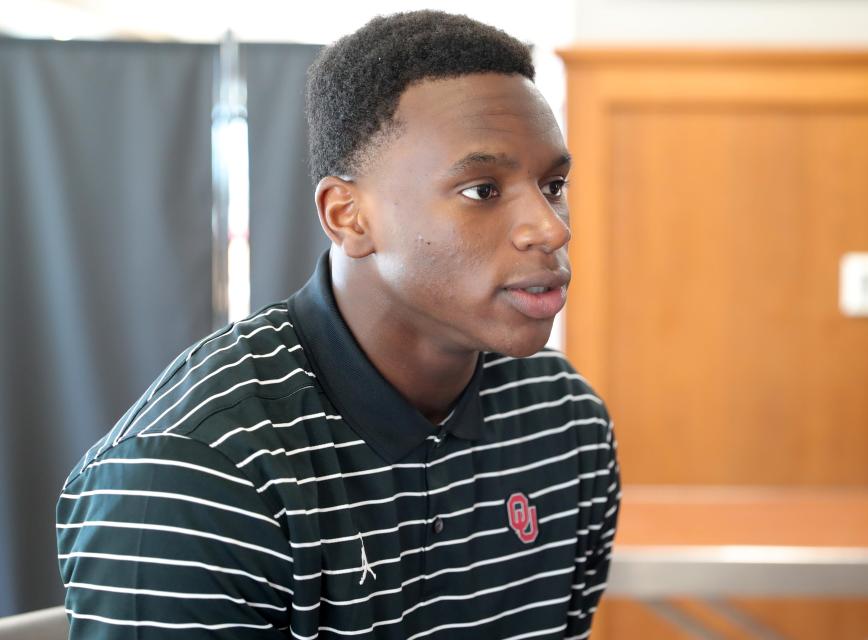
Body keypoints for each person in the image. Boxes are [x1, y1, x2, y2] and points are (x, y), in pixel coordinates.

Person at [56, 10, 620, 639]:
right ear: (348, 216)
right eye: (482, 190)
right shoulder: (198, 472)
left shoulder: (567, 423)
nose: (551, 228)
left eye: (553, 184)